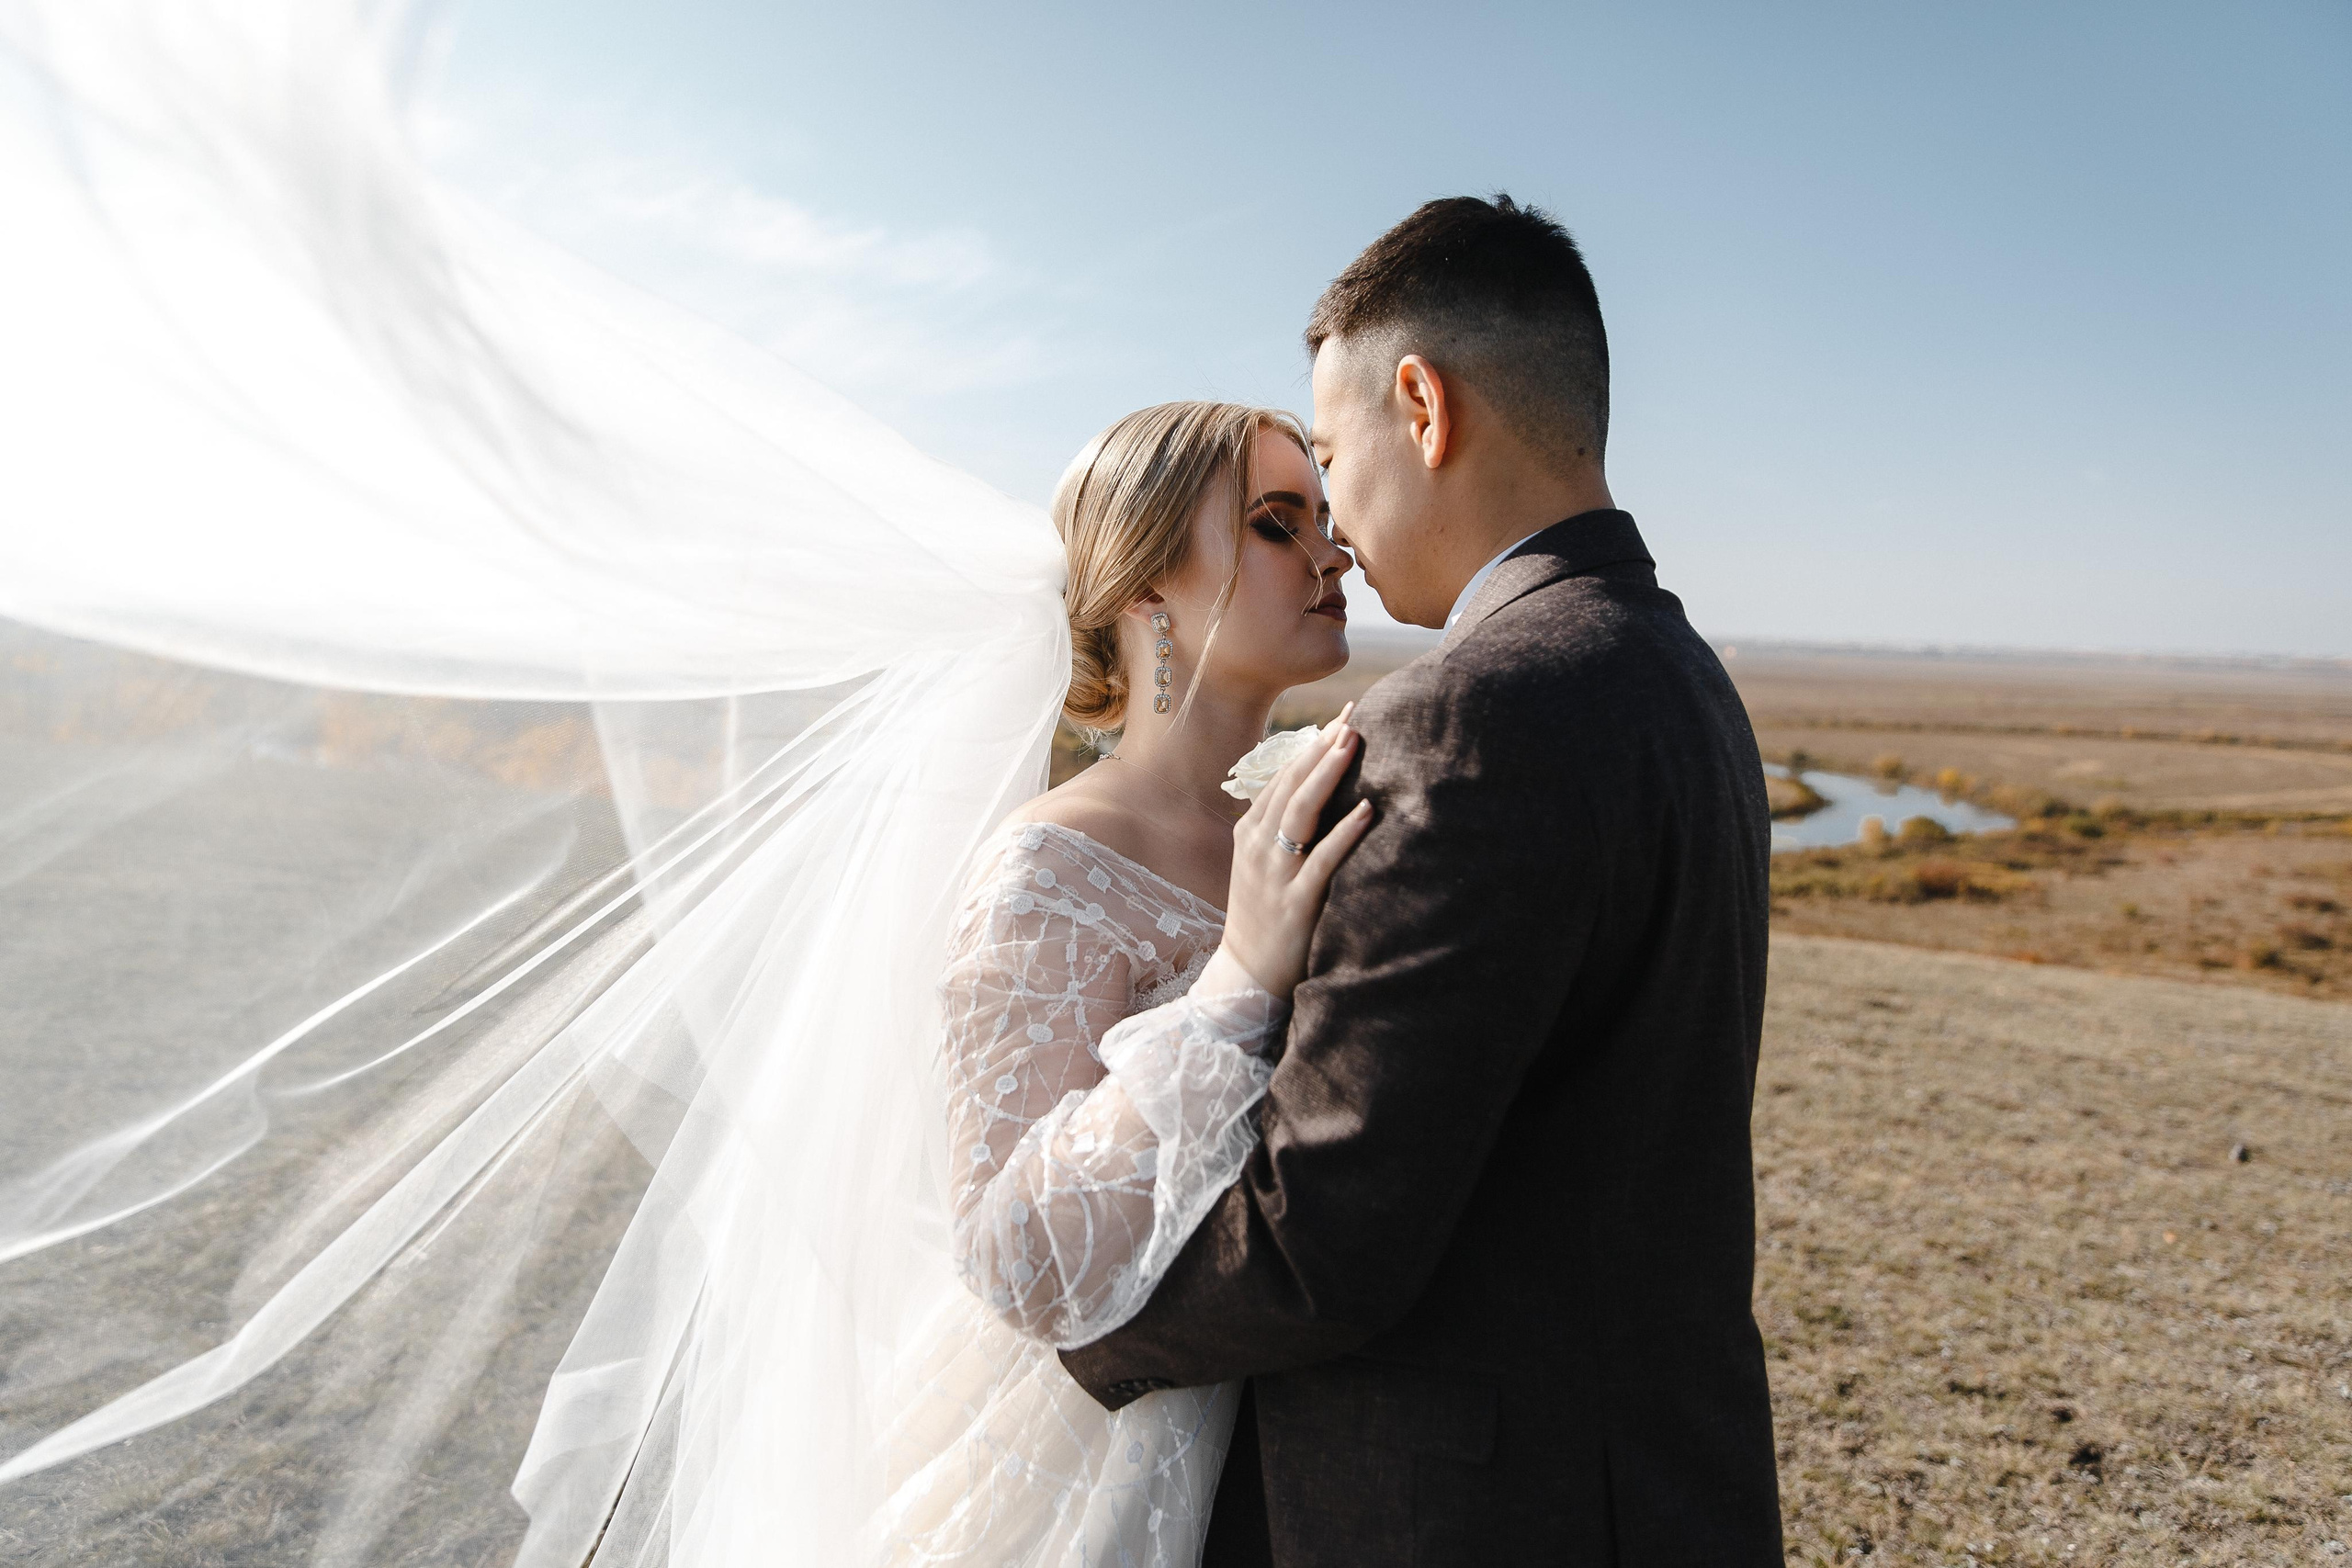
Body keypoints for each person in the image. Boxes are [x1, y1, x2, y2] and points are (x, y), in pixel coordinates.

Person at [1058, 197, 1787, 1564]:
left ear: (1423, 404)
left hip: (1477, 1511)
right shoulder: (1683, 676)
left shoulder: (1470, 715)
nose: (1333, 519)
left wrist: (1067, 1336)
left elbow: (1323, 1234)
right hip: (1669, 1483)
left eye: (1329, 457)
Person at [879, 400, 1376, 1565]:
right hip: (1095, 1467)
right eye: (1274, 523)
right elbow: (1008, 1251)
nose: (1332, 553)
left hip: (1320, 1442)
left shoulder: (1295, 818)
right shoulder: (1047, 866)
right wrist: (1237, 982)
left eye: (1327, 517)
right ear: (1148, 591)